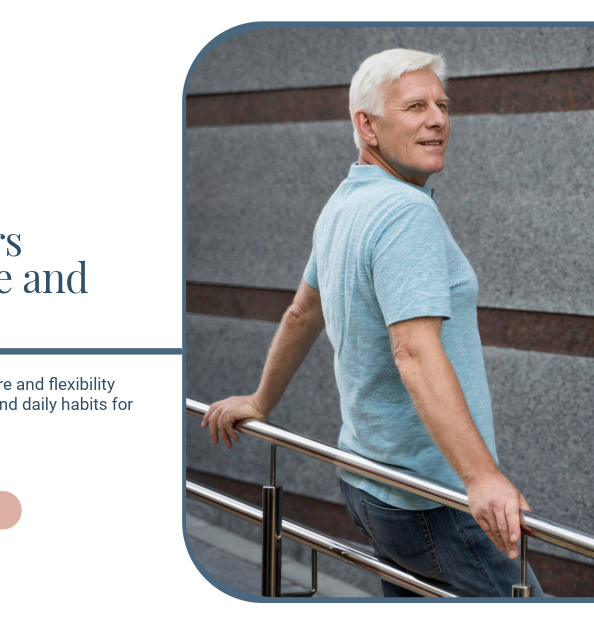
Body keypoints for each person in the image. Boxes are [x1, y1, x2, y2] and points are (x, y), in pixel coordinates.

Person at [200, 48, 541, 597]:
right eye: (414, 106)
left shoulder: (345, 202)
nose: (437, 118)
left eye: (442, 104)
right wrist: (480, 478)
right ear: (367, 125)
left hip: (369, 483)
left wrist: (262, 400)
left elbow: (301, 312)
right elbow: (413, 351)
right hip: (436, 500)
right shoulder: (407, 213)